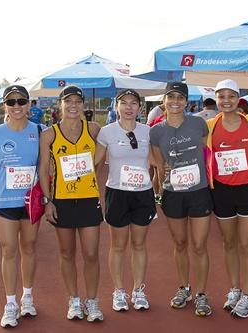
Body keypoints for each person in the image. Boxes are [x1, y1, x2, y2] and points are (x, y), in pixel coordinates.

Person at [39, 85, 104, 322]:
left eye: (77, 101)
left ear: (83, 105)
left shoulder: (94, 129)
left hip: (88, 199)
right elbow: (43, 168)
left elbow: (105, 153)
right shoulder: (49, 134)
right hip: (62, 200)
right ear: (61, 105)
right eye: (69, 102)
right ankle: (74, 299)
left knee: (91, 253)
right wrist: (48, 201)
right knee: (67, 253)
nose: (73, 106)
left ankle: (93, 301)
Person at [150, 82, 213, 316]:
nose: (175, 101)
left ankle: (202, 293)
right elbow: (158, 166)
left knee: (199, 245)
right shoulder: (156, 131)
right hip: (173, 194)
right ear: (164, 101)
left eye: (180, 97)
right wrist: (159, 191)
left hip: (199, 192)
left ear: (187, 101)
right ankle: (184, 288)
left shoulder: (199, 124)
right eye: (171, 97)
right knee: (180, 244)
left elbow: (208, 153)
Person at [0, 85, 40, 328]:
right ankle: (11, 303)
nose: (17, 106)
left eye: (21, 101)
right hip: (4, 201)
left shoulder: (40, 131)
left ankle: (27, 296)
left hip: (30, 203)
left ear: (28, 104)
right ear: (4, 105)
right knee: (8, 250)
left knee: (29, 248)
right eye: (11, 102)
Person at [205, 79, 248, 318]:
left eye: (231, 96)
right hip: (222, 191)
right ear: (216, 99)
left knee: (246, 244)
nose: (226, 101)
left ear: (238, 99)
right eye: (221, 96)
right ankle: (235, 289)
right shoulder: (209, 126)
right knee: (229, 244)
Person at [95, 89, 156, 312]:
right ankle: (119, 290)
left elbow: (157, 162)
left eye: (133, 103)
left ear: (140, 107)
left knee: (139, 244)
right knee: (118, 245)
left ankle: (138, 290)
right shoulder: (106, 132)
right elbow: (96, 163)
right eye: (124, 103)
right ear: (116, 106)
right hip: (117, 193)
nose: (129, 107)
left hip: (142, 193)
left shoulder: (149, 132)